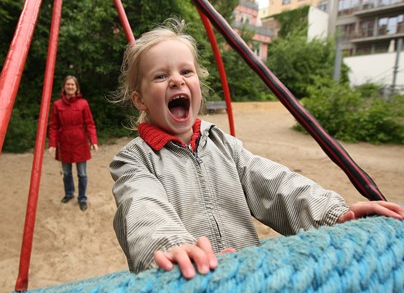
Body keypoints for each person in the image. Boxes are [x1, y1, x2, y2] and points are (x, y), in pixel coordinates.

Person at [108, 18, 403, 279]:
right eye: (160, 76)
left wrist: (334, 214)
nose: (176, 80)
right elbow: (142, 206)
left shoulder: (222, 144)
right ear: (140, 100)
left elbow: (277, 186)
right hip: (186, 284)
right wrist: (173, 247)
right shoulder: (135, 161)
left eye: (186, 71)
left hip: (247, 279)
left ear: (199, 83)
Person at [48, 75, 98, 211]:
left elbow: (90, 124)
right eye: (68, 84)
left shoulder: (83, 104)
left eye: (72, 85)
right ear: (64, 87)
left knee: (82, 173)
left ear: (76, 88)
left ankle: (82, 198)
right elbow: (53, 125)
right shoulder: (57, 105)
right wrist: (52, 143)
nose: (70, 87)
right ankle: (69, 193)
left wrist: (93, 141)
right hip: (64, 143)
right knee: (66, 173)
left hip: (80, 143)